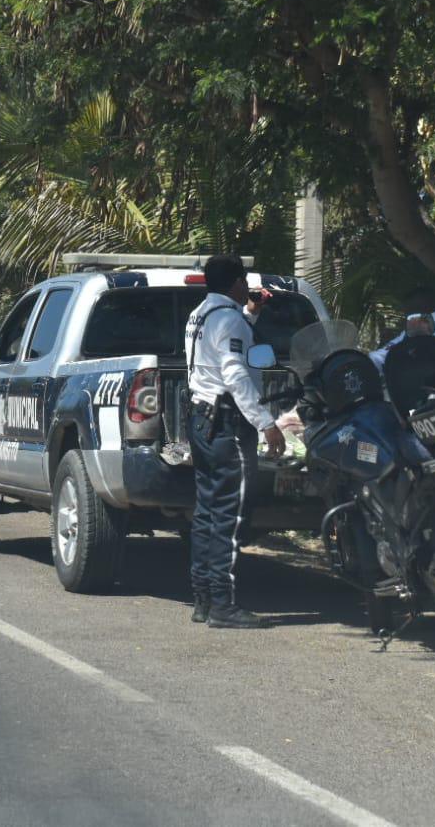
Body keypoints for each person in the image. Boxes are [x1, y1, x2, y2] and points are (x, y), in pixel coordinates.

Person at [183, 255, 285, 630]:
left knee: (208, 511)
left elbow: (224, 347)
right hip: (227, 422)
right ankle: (223, 605)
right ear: (237, 282)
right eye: (244, 281)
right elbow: (235, 373)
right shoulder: (229, 320)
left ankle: (204, 598)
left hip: (201, 419)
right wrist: (267, 424)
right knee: (230, 513)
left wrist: (251, 313)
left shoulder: (202, 314)